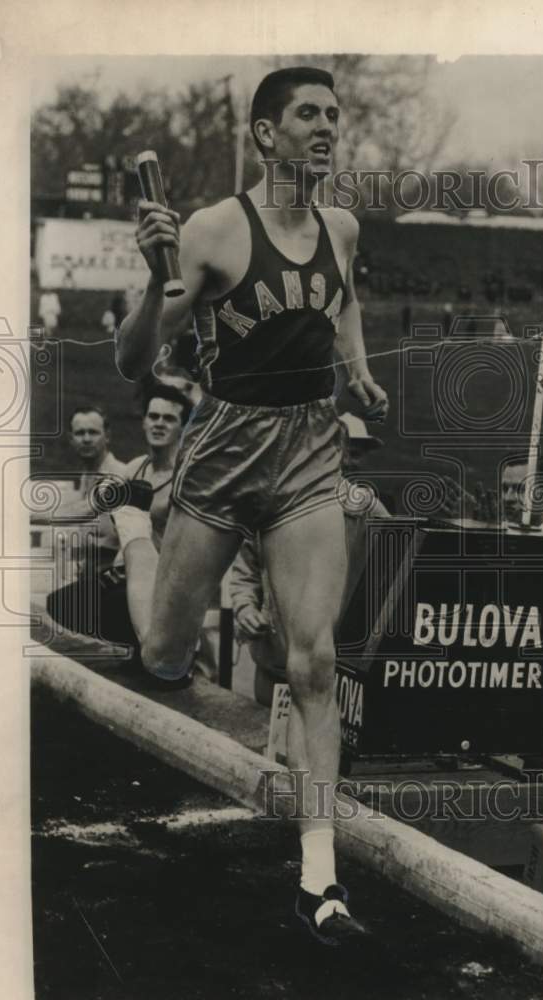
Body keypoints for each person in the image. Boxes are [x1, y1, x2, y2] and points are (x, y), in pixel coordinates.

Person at [115, 66, 388, 942]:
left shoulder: (341, 228)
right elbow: (131, 365)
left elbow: (341, 307)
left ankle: (320, 882)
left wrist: (362, 375)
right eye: (306, 114)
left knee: (313, 664)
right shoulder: (211, 230)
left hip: (309, 453)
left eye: (332, 116)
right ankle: (135, 535)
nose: (325, 128)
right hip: (225, 454)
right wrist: (152, 290)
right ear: (265, 135)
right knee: (163, 655)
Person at [230, 412, 390, 708]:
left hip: (333, 666)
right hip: (274, 663)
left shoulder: (368, 511)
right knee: (266, 741)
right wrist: (245, 608)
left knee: (321, 743)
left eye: (357, 453)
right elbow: (246, 572)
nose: (349, 460)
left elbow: (393, 573)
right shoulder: (270, 502)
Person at [47, 385, 192, 649]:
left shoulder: (187, 478)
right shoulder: (135, 467)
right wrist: (24, 515)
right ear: (144, 422)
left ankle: (170, 651)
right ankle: (137, 649)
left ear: (183, 427)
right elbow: (88, 509)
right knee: (61, 604)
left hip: (164, 584)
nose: (159, 424)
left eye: (169, 418)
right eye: (153, 416)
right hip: (125, 577)